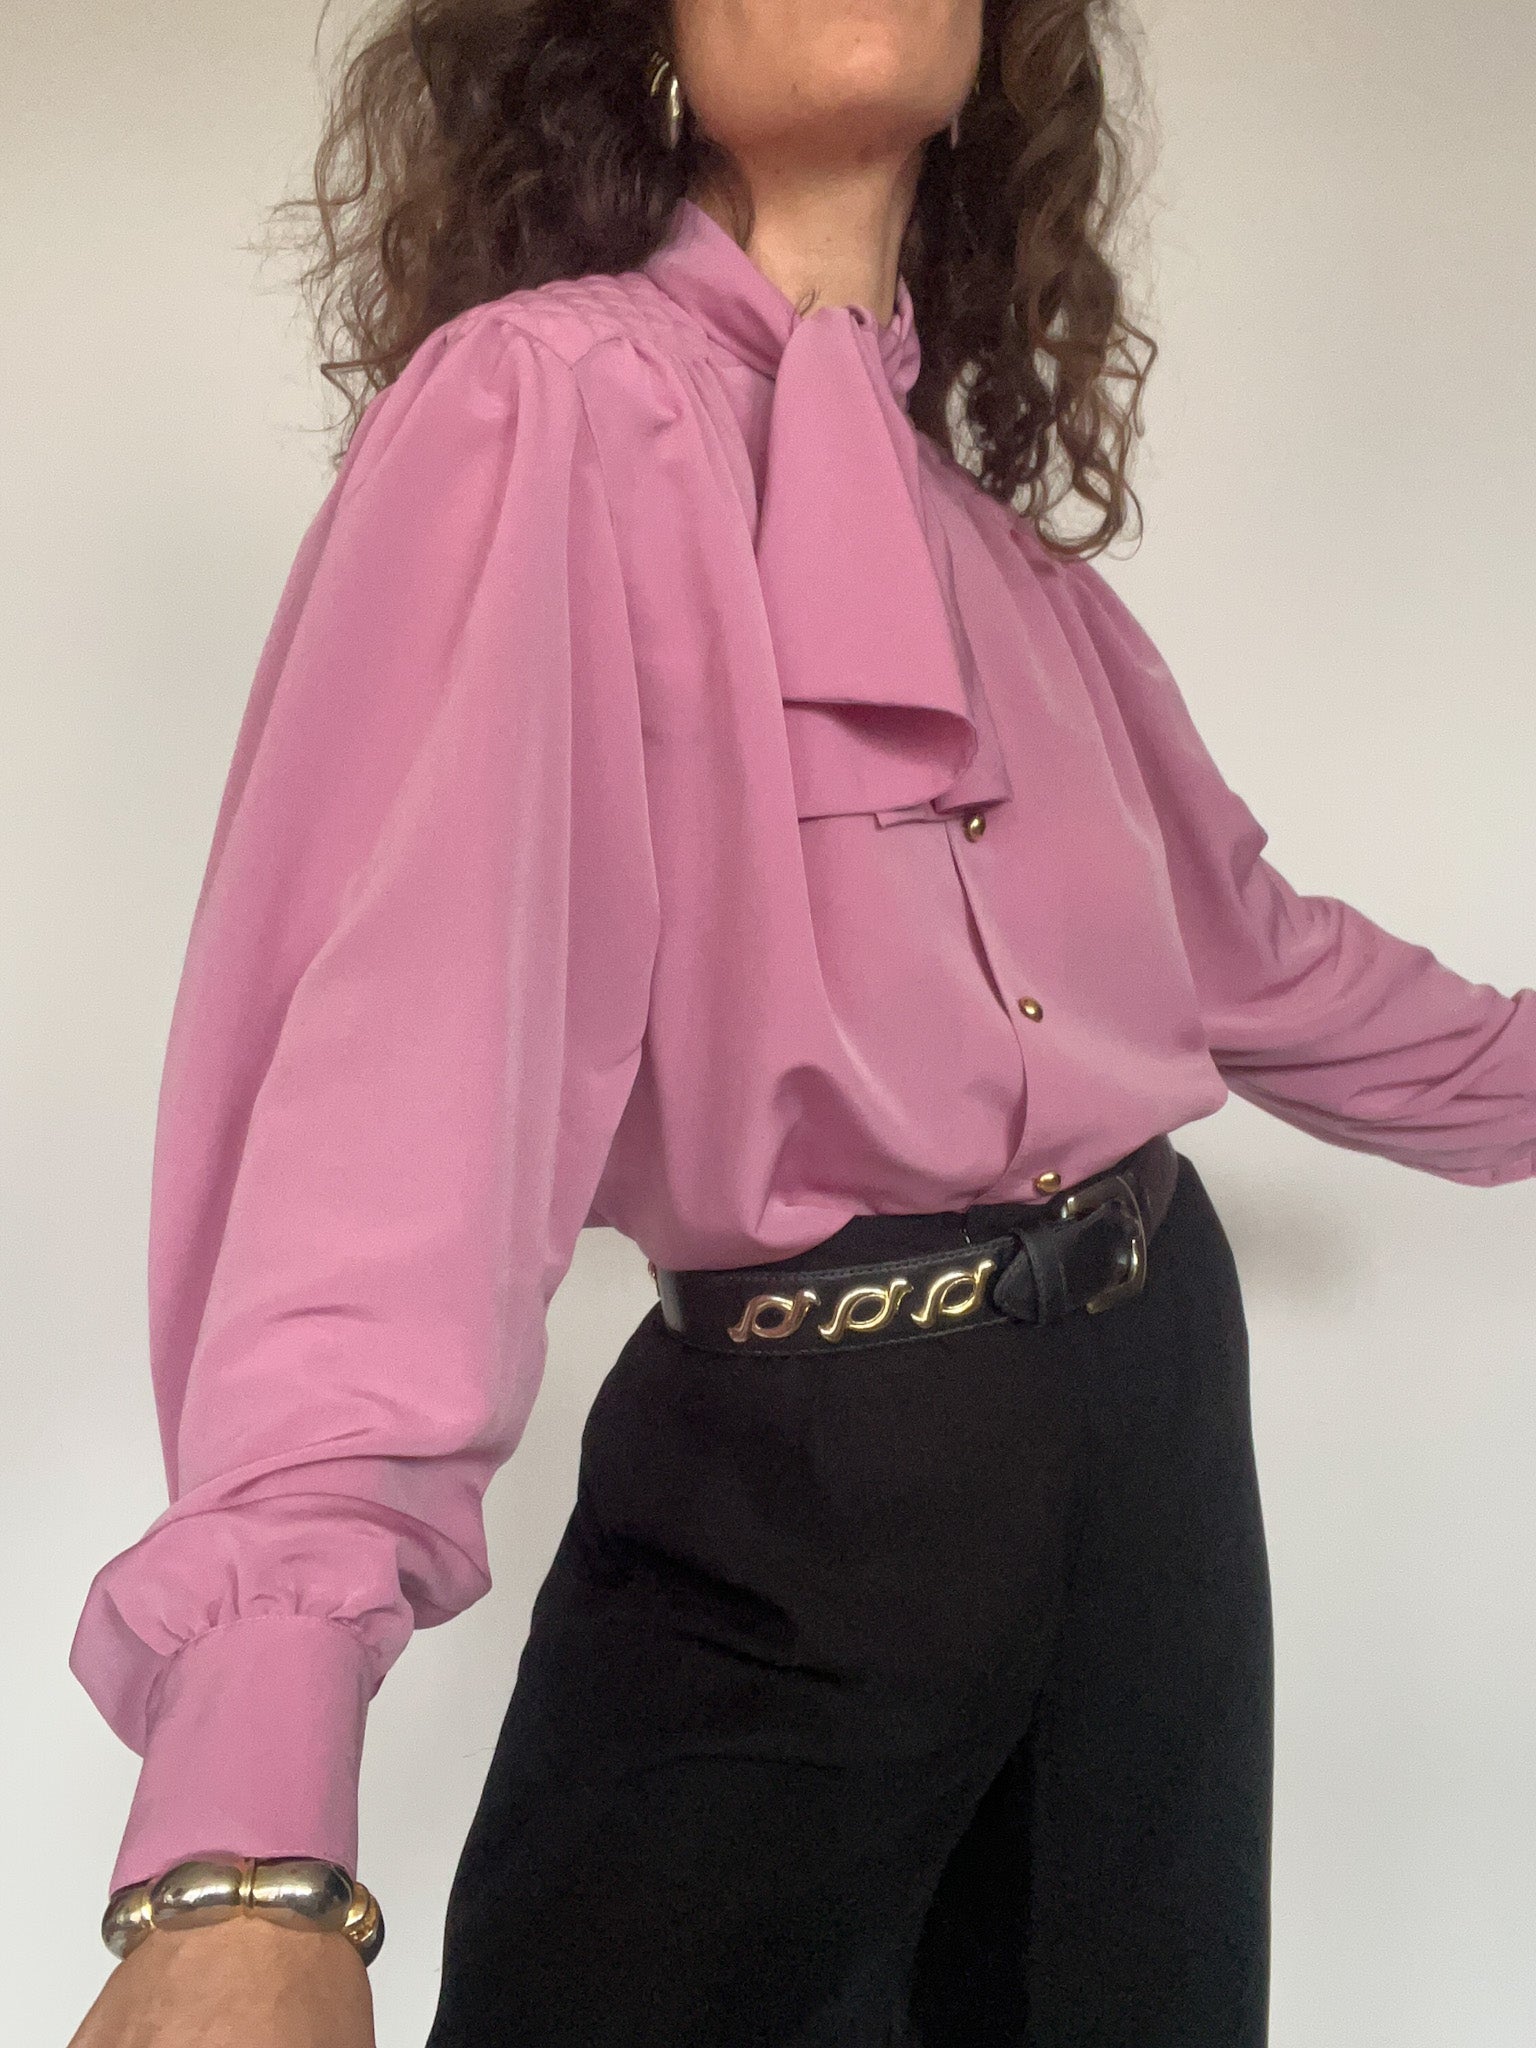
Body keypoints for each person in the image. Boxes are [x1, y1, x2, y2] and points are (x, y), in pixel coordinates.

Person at [67, 4, 1535, 2046]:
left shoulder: (1010, 569)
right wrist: (247, 1841)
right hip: (799, 1478)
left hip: (1156, 1436)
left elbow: (1268, 964)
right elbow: (388, 1119)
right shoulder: (538, 406)